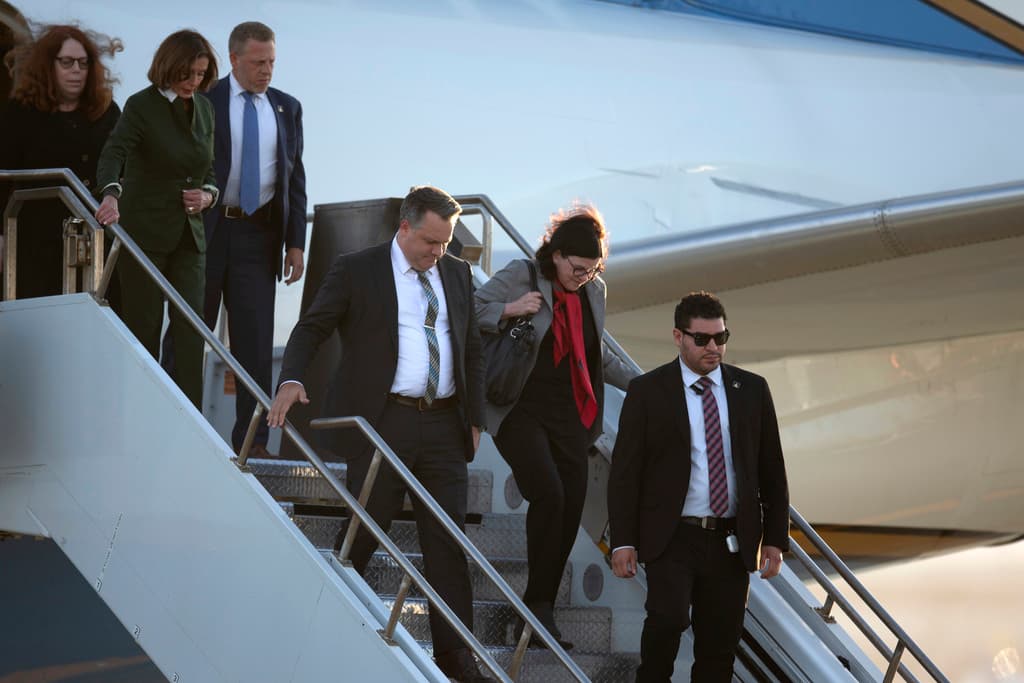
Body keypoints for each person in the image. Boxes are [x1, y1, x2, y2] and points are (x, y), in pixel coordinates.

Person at [267, 186, 492, 683]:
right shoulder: (358, 268)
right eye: (430, 242)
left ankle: (457, 660)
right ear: (405, 227)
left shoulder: (455, 272)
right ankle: (324, 626)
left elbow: (471, 347)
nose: (438, 253)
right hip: (382, 421)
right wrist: (292, 378)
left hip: (444, 423)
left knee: (448, 543)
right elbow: (312, 328)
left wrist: (473, 417)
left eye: (446, 242)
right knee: (367, 532)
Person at [473, 204, 637, 649]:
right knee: (548, 491)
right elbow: (469, 311)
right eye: (577, 268)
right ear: (557, 254)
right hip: (519, 407)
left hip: (570, 413)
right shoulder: (523, 274)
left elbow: (595, 353)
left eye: (592, 270)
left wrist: (642, 385)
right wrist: (510, 309)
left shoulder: (592, 292)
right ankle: (537, 607)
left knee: (571, 502)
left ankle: (539, 604)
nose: (583, 276)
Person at [607, 291, 790, 682]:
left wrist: (774, 538)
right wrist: (623, 540)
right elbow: (625, 473)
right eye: (702, 339)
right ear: (678, 337)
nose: (713, 348)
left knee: (719, 647)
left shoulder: (752, 390)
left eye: (721, 338)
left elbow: (771, 467)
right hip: (673, 536)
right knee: (667, 620)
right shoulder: (647, 391)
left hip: (730, 540)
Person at [197, 21, 306, 456]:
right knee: (190, 331)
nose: (267, 71)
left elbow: (295, 178)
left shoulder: (287, 108)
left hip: (259, 236)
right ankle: (176, 425)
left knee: (256, 345)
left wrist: (295, 242)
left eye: (273, 62)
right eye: (259, 62)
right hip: (207, 230)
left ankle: (253, 443)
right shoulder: (205, 103)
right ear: (235, 59)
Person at [94, 30, 219, 409]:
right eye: (187, 74)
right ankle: (141, 414)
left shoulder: (206, 109)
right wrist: (111, 193)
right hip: (145, 233)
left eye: (200, 74)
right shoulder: (141, 106)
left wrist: (208, 196)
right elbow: (114, 152)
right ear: (169, 67)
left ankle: (192, 423)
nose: (193, 82)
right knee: (144, 329)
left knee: (191, 332)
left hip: (190, 238)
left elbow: (209, 169)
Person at [0, 24, 121, 302]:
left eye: (83, 62)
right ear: (48, 65)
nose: (76, 70)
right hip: (36, 239)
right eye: (66, 62)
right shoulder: (22, 113)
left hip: (94, 238)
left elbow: (125, 163)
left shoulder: (107, 112)